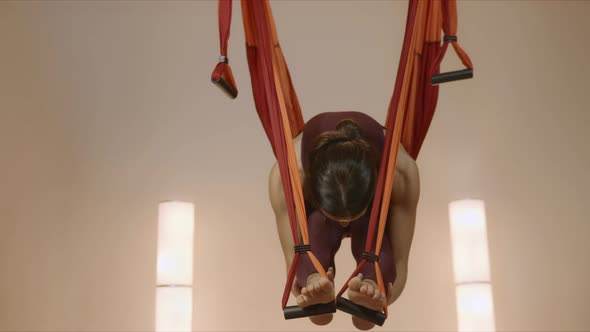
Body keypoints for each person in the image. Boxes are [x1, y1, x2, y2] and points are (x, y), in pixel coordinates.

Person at [268, 111, 420, 330]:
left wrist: (382, 299)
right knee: (317, 228)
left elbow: (400, 262)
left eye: (351, 216)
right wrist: (305, 288)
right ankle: (315, 281)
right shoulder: (287, 177)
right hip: (317, 214)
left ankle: (370, 283)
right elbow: (292, 263)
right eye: (336, 217)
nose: (343, 225)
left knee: (372, 232)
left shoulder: (400, 173)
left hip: (372, 215)